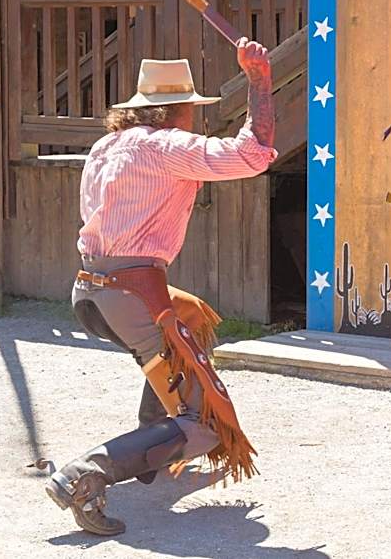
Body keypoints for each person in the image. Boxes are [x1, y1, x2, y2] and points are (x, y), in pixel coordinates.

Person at [45, 41, 277, 536]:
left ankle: (151, 441)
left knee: (191, 316)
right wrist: (259, 81)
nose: (194, 118)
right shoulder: (166, 146)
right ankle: (84, 475)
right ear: (177, 111)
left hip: (91, 289)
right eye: (191, 108)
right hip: (131, 295)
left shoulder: (107, 146)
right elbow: (253, 154)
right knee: (204, 426)